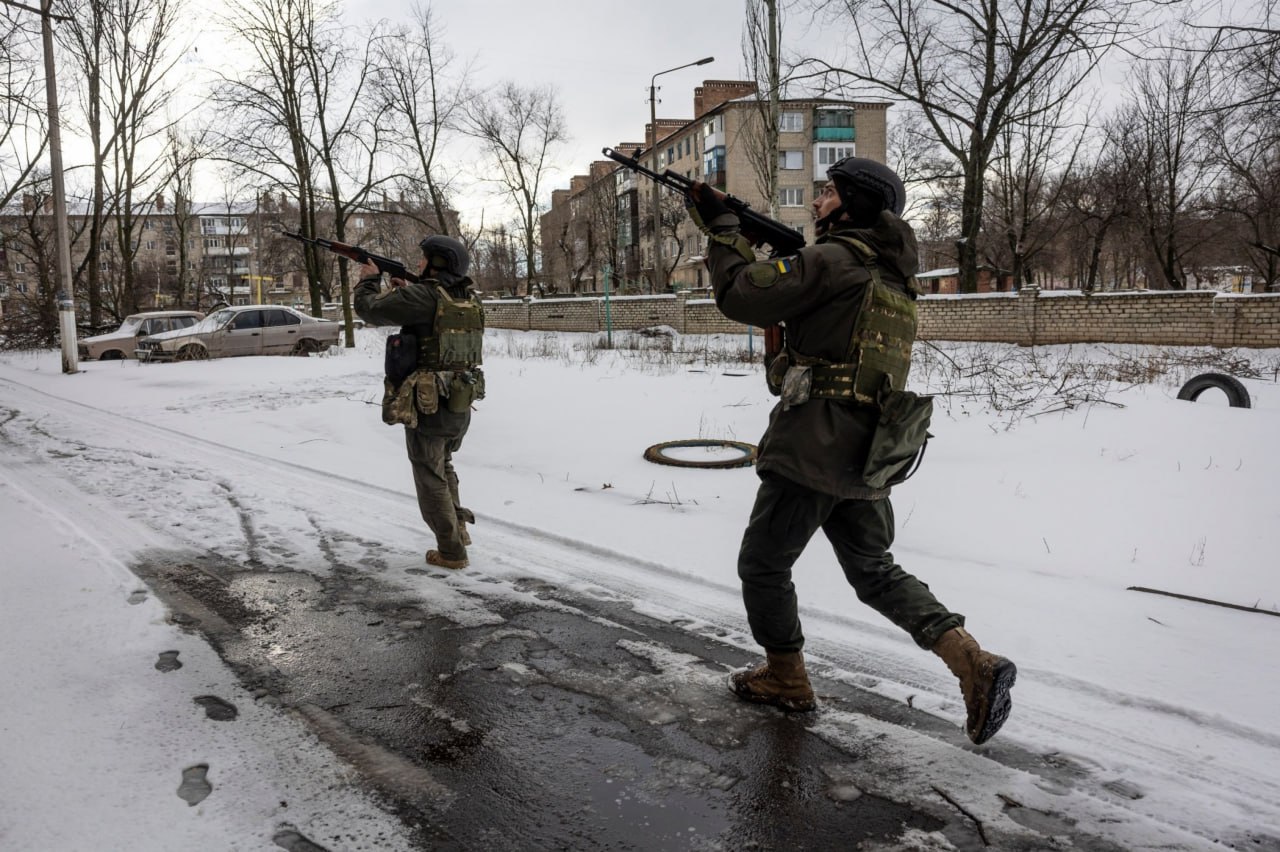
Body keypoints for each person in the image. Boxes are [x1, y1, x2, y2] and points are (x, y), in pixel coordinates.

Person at [684, 158, 1016, 744]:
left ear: (855, 203)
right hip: (867, 451)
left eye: (828, 193)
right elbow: (811, 355)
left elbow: (740, 296)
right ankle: (971, 660)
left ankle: (786, 678)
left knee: (763, 565)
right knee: (874, 570)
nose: (816, 202)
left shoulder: (836, 261)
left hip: (813, 445)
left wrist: (724, 233)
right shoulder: (891, 277)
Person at [353, 235, 485, 570]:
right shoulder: (466, 298)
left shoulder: (425, 295)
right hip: (458, 400)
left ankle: (452, 552)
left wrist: (369, 281)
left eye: (424, 259)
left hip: (430, 403)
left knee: (429, 476)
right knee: (444, 466)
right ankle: (457, 533)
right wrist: (402, 290)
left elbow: (370, 310)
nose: (419, 264)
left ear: (438, 263)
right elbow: (433, 325)